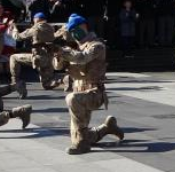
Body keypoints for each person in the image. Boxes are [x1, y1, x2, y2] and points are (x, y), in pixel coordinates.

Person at [58, 14, 123, 154]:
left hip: (94, 93)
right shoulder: (74, 47)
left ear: (84, 26)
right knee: (78, 136)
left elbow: (83, 58)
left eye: (76, 28)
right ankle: (106, 128)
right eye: (71, 30)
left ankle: (83, 146)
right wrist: (57, 54)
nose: (74, 33)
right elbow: (58, 67)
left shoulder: (97, 46)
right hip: (78, 89)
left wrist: (65, 52)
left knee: (72, 99)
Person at [10, 12, 57, 97]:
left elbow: (18, 37)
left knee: (13, 57)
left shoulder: (35, 28)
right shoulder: (51, 28)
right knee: (46, 85)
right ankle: (62, 80)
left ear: (36, 19)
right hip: (49, 59)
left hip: (39, 58)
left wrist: (14, 28)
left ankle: (15, 82)